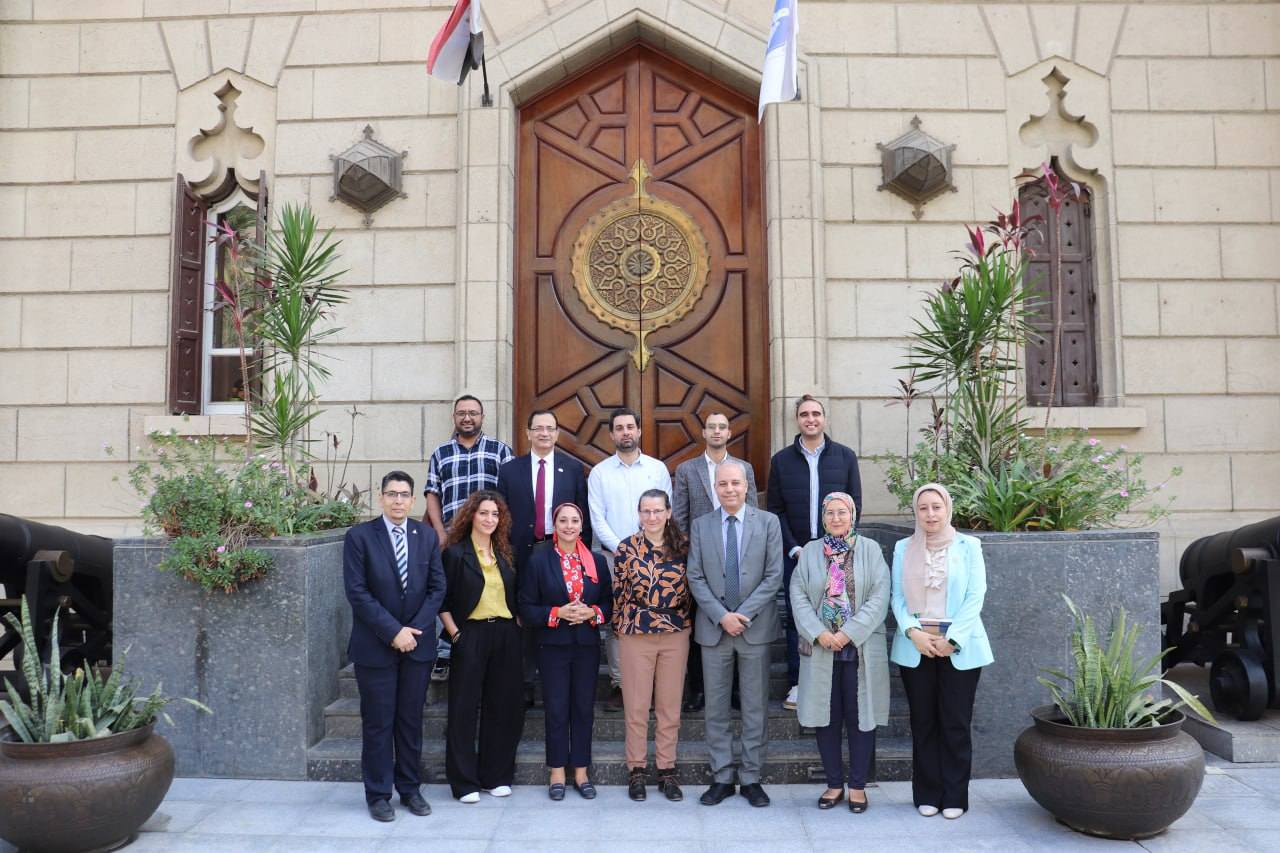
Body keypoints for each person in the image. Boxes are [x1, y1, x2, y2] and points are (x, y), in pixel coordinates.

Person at [342, 470, 445, 822]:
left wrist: (412, 630)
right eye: (392, 494)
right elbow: (357, 592)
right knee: (378, 723)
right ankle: (378, 795)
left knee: (410, 721)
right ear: (381, 497)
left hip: (417, 646)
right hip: (375, 646)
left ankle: (410, 789)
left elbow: (437, 588)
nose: (398, 500)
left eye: (404, 495)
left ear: (413, 500)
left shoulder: (426, 536)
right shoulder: (359, 537)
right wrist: (393, 631)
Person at [891, 483, 993, 820]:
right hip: (916, 646)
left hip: (959, 648)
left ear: (947, 509)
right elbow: (897, 597)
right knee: (923, 723)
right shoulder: (903, 548)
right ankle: (927, 793)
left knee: (955, 723)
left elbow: (976, 595)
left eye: (936, 507)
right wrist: (913, 633)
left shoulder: (969, 546)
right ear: (916, 512)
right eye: (923, 508)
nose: (930, 514)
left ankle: (954, 796)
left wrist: (953, 639)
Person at [687, 459, 783, 808]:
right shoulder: (701, 526)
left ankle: (752, 777)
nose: (729, 489)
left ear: (747, 486)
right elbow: (695, 576)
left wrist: (742, 614)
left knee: (755, 707)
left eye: (735, 483)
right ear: (715, 488)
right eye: (723, 484)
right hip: (714, 630)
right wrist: (721, 616)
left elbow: (774, 575)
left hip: (754, 628)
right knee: (715, 708)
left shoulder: (768, 523)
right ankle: (723, 777)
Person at [789, 492, 890, 813]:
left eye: (842, 512)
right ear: (823, 518)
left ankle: (857, 786)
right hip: (822, 649)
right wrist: (820, 633)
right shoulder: (810, 552)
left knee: (861, 718)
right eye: (830, 513)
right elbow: (797, 595)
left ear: (853, 515)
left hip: (860, 647)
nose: (836, 518)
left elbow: (880, 595)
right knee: (826, 718)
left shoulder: (871, 550)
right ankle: (834, 784)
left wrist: (849, 633)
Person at [767, 394, 863, 712]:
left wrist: (839, 547)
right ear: (797, 420)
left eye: (816, 413)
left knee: (837, 616)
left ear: (824, 418)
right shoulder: (781, 461)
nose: (810, 419)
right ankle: (798, 682)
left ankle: (833, 682)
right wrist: (794, 548)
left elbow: (854, 505)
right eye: (804, 414)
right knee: (798, 618)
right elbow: (775, 510)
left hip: (836, 554)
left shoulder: (845, 457)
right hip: (796, 553)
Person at [496, 409, 592, 707]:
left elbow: (582, 514)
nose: (544, 433)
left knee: (559, 610)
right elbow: (501, 516)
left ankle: (559, 682)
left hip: (560, 550)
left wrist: (582, 557)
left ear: (557, 433)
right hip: (521, 552)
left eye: (550, 428)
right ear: (528, 433)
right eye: (538, 428)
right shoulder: (510, 470)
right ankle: (525, 683)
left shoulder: (572, 468)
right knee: (525, 615)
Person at [518, 502, 612, 801]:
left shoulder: (597, 562)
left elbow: (609, 605)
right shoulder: (539, 561)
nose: (569, 526)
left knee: (583, 709)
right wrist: (557, 612)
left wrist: (592, 613)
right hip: (552, 646)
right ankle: (557, 771)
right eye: (563, 521)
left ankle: (581, 772)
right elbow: (526, 608)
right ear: (554, 525)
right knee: (556, 709)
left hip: (586, 646)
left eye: (574, 521)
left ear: (582, 526)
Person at [439, 490, 524, 804]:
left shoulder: (506, 552)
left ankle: (495, 776)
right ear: (471, 515)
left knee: (502, 707)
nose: (490, 519)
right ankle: (464, 783)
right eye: (484, 513)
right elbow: (442, 600)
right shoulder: (455, 553)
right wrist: (455, 634)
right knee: (463, 708)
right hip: (470, 634)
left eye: (495, 514)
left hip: (505, 634)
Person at [587, 407, 673, 711]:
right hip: (614, 558)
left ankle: (652, 685)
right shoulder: (600, 473)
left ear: (639, 431)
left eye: (630, 427)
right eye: (619, 428)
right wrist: (624, 550)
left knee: (654, 618)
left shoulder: (657, 469)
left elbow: (665, 511)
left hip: (655, 556)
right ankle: (620, 684)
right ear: (612, 434)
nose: (626, 432)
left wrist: (648, 548)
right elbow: (597, 519)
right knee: (618, 622)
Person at [423, 395, 513, 682]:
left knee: (482, 587)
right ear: (454, 417)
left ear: (482, 417)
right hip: (451, 534)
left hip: (488, 535)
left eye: (473, 413)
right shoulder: (441, 453)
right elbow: (432, 493)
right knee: (448, 589)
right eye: (461, 413)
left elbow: (511, 492)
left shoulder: (500, 451)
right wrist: (439, 531)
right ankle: (445, 650)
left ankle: (485, 647)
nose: (467, 418)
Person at [671, 411, 757, 711]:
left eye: (722, 427)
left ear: (729, 433)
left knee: (738, 624)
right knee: (700, 627)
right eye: (712, 427)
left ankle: (735, 690)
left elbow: (753, 514)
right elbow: (680, 516)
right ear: (704, 433)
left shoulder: (744, 468)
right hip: (700, 562)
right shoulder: (687, 469)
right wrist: (688, 556)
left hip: (737, 560)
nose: (717, 431)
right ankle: (698, 690)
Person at [613, 489, 691, 802]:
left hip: (675, 630)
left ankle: (667, 769)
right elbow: (619, 592)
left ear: (668, 512)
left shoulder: (683, 546)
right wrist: (619, 628)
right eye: (646, 511)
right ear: (639, 513)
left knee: (669, 706)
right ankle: (636, 770)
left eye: (658, 510)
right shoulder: (626, 548)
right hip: (636, 630)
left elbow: (693, 588)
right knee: (636, 706)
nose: (652, 516)